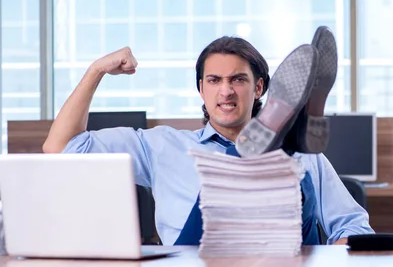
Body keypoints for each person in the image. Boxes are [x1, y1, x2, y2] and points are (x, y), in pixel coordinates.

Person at [43, 31, 374, 245]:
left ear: (259, 88)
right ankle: (263, 160)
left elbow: (352, 224)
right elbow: (60, 149)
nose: (226, 91)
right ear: (201, 89)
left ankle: (271, 164)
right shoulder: (161, 146)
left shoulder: (308, 155)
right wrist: (96, 70)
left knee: (295, 180)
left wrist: (330, 263)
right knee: (265, 175)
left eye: (238, 80)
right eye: (214, 80)